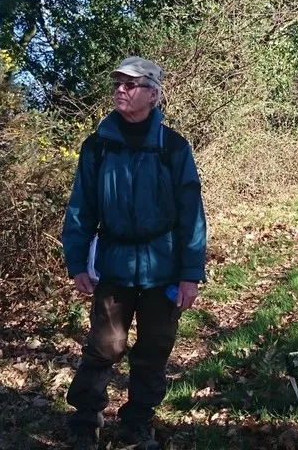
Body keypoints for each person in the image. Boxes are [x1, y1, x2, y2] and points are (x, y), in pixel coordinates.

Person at [61, 57, 207, 450]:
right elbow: (81, 208)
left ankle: (137, 421)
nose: (120, 90)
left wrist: (190, 274)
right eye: (117, 84)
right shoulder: (97, 147)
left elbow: (191, 213)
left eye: (131, 84)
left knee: (154, 348)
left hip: (165, 267)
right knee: (105, 346)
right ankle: (85, 420)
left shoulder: (173, 147)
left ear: (153, 94)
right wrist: (77, 263)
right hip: (114, 263)